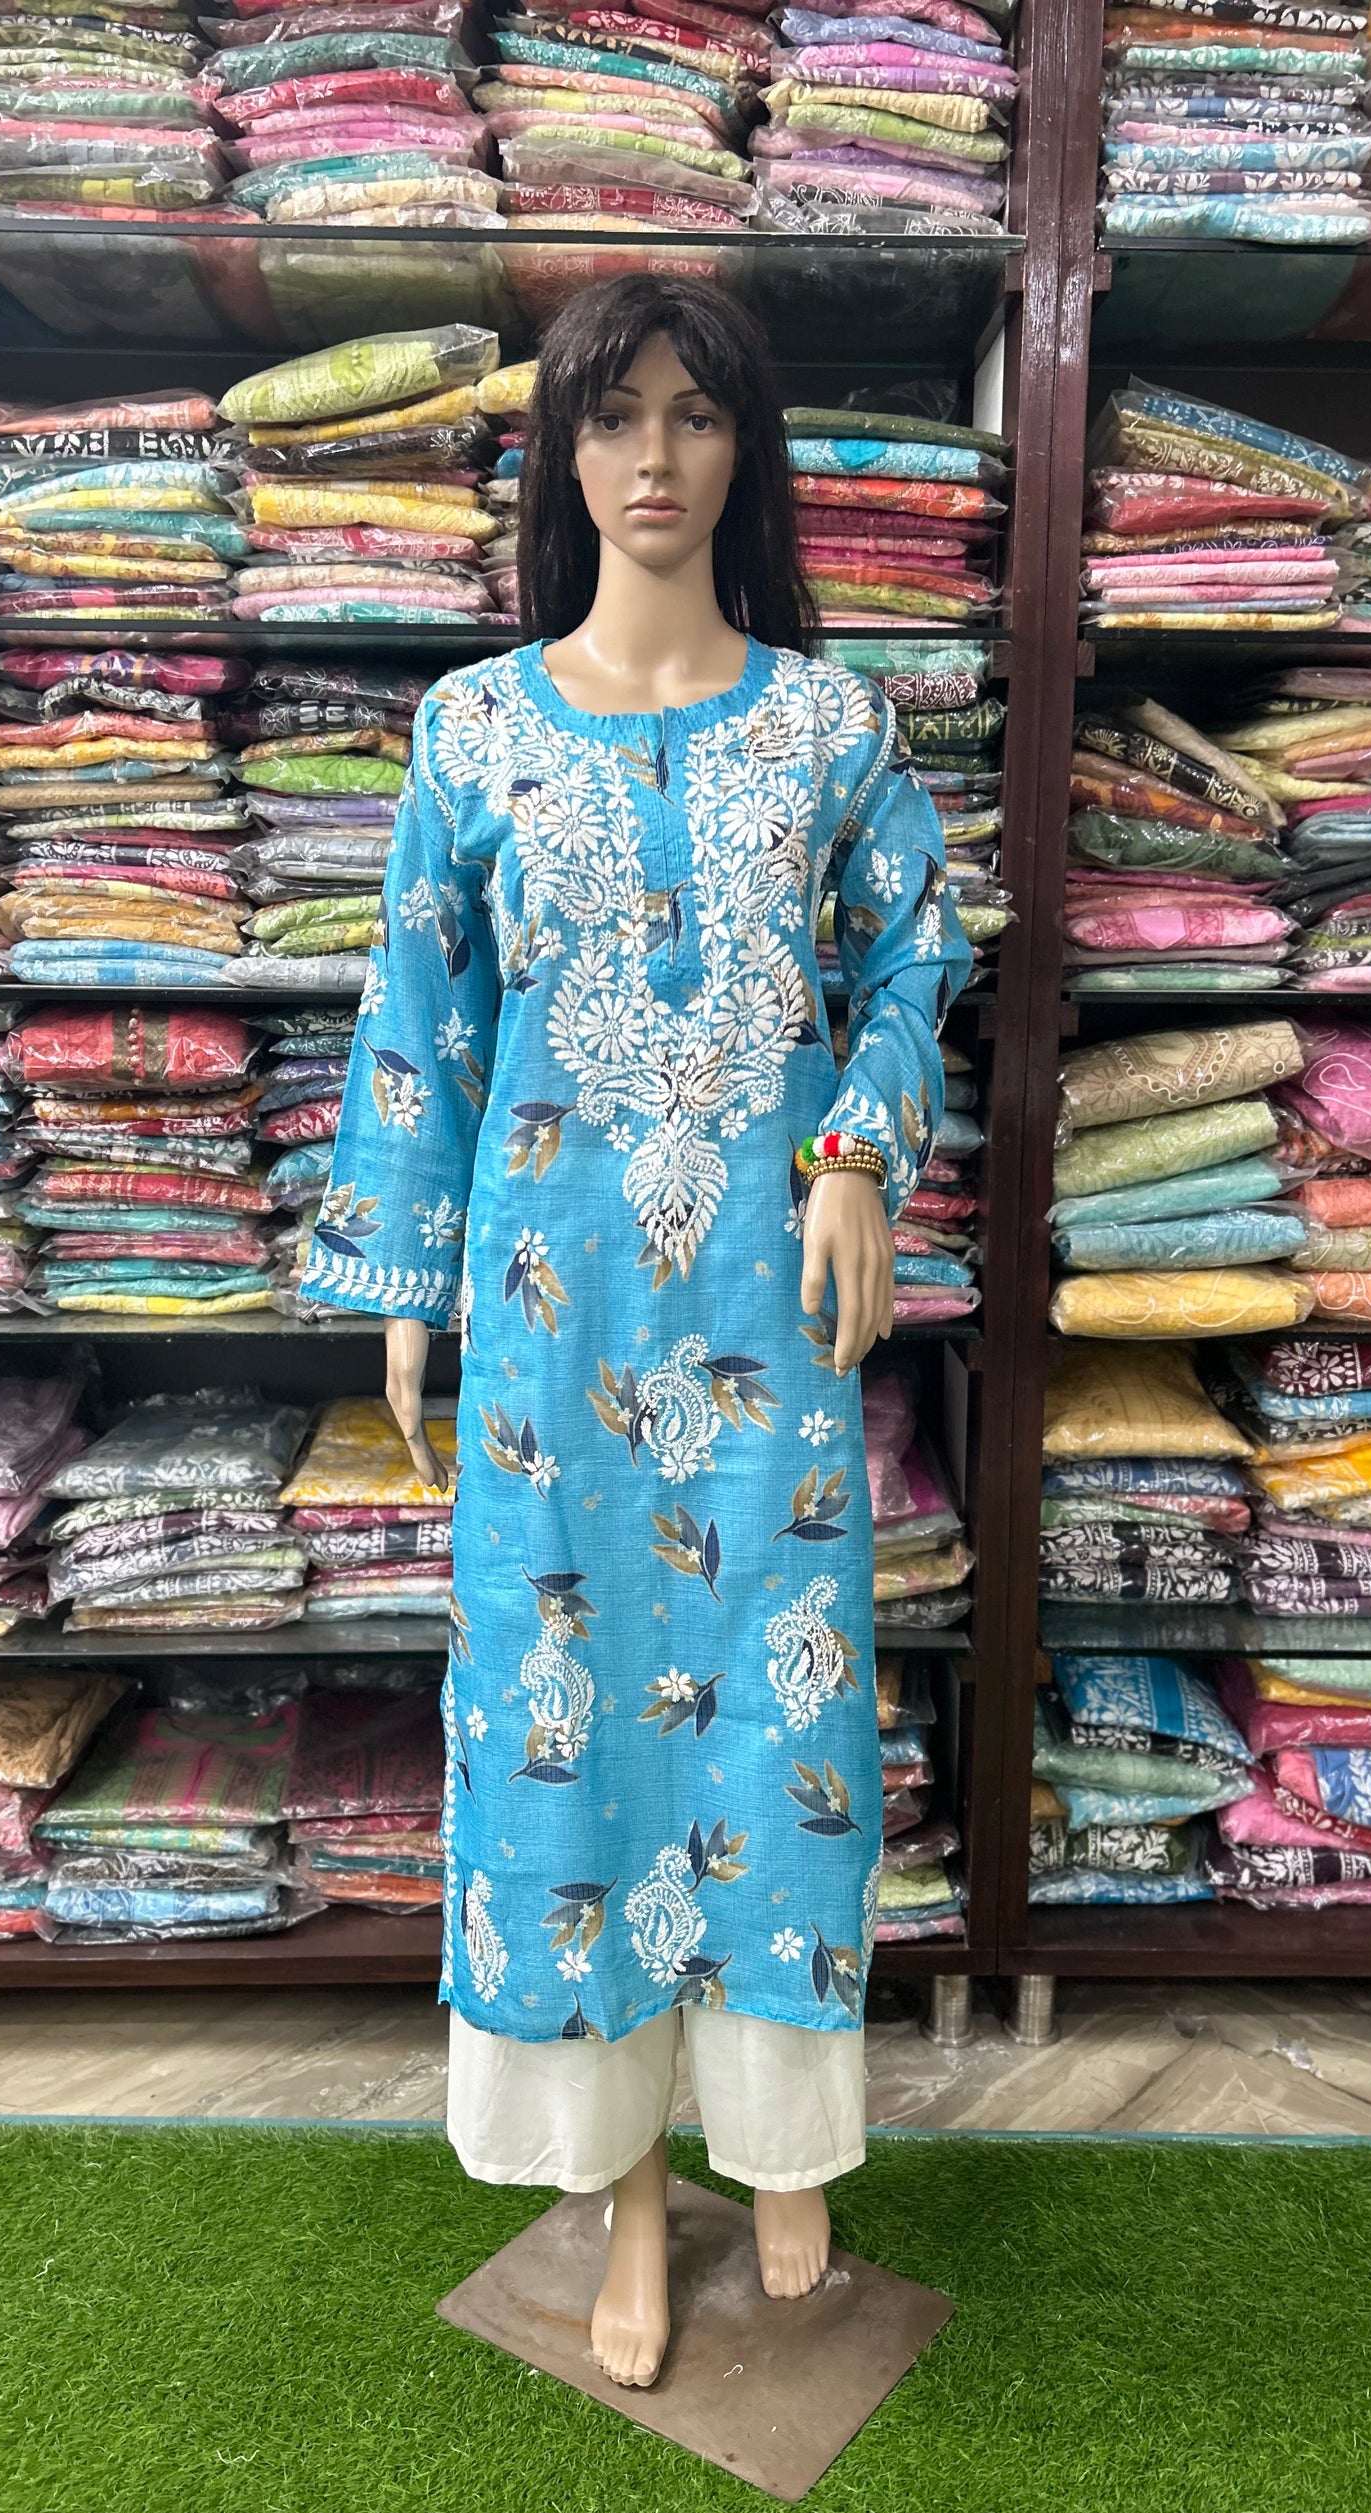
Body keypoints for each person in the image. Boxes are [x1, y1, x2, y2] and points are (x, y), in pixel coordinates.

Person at [302, 273, 972, 2388]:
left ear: (745, 446)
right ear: (561, 453)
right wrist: (402, 1283)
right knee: (562, 1725)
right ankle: (619, 2193)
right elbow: (418, 1024)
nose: (657, 457)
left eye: (694, 415)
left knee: (783, 1720)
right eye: (615, 418)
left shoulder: (832, 731)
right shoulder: (473, 733)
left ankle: (786, 2159)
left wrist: (860, 1148)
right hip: (545, 1316)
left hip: (767, 1326)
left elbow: (910, 959)